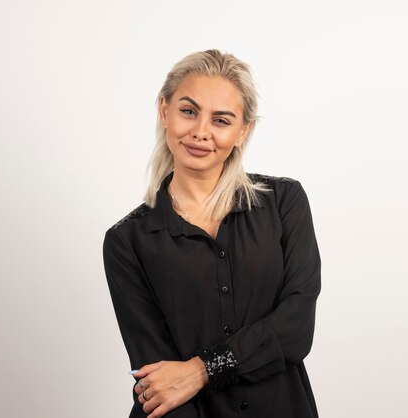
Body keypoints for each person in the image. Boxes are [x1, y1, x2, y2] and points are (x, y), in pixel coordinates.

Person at [102, 49, 321, 418]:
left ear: (242, 132)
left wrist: (202, 370)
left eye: (221, 120)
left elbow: (295, 328)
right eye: (188, 111)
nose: (201, 132)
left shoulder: (285, 202)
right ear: (164, 112)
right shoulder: (127, 241)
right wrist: (193, 375)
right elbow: (159, 380)